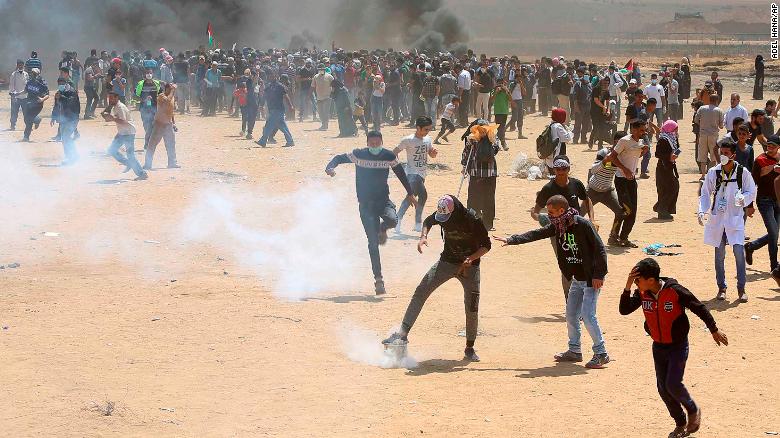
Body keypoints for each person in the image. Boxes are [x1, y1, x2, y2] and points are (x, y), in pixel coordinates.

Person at [495, 194, 610, 369]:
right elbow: (537, 233)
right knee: (571, 315)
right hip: (576, 279)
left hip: (590, 279)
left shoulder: (582, 224)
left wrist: (599, 275)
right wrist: (512, 240)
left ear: (561, 210)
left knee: (588, 315)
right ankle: (574, 350)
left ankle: (601, 353)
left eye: (551, 212)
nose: (548, 215)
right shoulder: (558, 225)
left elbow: (600, 249)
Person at [620, 258, 729, 438]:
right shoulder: (642, 293)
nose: (636, 283)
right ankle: (680, 423)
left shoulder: (675, 291)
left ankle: (693, 410)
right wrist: (628, 285)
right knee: (663, 389)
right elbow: (624, 310)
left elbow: (699, 307)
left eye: (638, 279)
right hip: (658, 347)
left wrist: (714, 329)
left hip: (678, 346)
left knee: (672, 384)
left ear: (651, 280)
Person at [382, 194, 489, 362]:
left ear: (455, 211)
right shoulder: (442, 214)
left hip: (470, 268)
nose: (445, 221)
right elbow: (428, 221)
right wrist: (423, 236)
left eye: (447, 217)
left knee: (472, 307)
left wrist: (471, 258)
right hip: (446, 262)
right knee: (421, 291)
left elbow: (486, 245)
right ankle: (402, 335)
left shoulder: (473, 219)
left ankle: (469, 348)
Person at [325, 131, 416, 294]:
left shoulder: (388, 156)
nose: (374, 145)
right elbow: (338, 158)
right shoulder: (359, 155)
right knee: (373, 243)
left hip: (383, 202)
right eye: (371, 143)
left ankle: (383, 228)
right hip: (366, 206)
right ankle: (378, 280)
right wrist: (330, 167)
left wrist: (410, 193)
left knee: (393, 220)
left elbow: (401, 173)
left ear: (382, 142)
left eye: (377, 143)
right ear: (367, 143)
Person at [698, 141, 756, 302]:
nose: (722, 156)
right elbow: (705, 193)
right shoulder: (714, 172)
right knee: (719, 256)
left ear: (733, 155)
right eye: (721, 153)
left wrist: (743, 198)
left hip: (735, 219)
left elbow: (751, 190)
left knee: (739, 254)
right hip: (718, 219)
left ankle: (741, 289)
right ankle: (721, 288)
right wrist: (702, 210)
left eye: (726, 153)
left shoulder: (742, 172)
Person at [532, 155, 592, 300]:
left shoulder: (576, 184)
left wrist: (591, 219)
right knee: (567, 264)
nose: (561, 172)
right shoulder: (548, 188)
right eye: (558, 169)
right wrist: (542, 219)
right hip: (558, 233)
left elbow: (587, 200)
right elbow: (535, 211)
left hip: (577, 230)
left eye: (564, 168)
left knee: (582, 261)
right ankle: (570, 300)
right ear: (554, 170)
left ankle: (580, 298)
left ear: (568, 169)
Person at [607, 120, 649, 247]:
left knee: (633, 211)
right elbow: (612, 157)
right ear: (633, 130)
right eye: (641, 130)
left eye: (645, 130)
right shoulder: (624, 141)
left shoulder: (640, 141)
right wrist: (624, 169)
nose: (644, 132)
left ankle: (624, 238)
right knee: (627, 209)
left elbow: (634, 157)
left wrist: (643, 152)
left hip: (632, 180)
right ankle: (613, 236)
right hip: (621, 179)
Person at [745, 135, 780, 284]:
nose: (769, 148)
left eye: (773, 146)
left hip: (778, 201)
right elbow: (752, 184)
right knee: (774, 233)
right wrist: (749, 205)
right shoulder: (760, 160)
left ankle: (751, 246)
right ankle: (774, 266)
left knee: (774, 233)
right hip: (764, 201)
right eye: (768, 145)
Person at [394, 116, 437, 233]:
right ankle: (417, 222)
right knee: (423, 195)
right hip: (412, 174)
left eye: (429, 129)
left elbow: (431, 154)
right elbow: (394, 152)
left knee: (410, 198)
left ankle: (398, 219)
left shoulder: (428, 139)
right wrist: (398, 167)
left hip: (422, 174)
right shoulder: (408, 140)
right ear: (418, 128)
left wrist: (433, 153)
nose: (428, 132)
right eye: (426, 129)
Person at [462, 120, 500, 231]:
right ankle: (476, 222)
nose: (482, 131)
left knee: (485, 198)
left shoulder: (492, 138)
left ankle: (484, 224)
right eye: (481, 129)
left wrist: (491, 140)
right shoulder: (473, 139)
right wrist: (464, 166)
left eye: (484, 130)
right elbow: (466, 153)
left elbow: (495, 150)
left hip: (484, 173)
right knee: (477, 198)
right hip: (481, 173)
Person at [102, 91, 148, 181]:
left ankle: (142, 173)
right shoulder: (115, 106)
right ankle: (128, 163)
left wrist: (112, 118)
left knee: (130, 155)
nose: (110, 100)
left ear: (116, 98)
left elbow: (123, 122)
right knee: (112, 150)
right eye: (109, 98)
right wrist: (107, 112)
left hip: (128, 133)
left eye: (111, 98)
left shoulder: (120, 107)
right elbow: (107, 118)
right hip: (122, 133)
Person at [143, 82, 179, 170]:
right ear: (166, 89)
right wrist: (173, 91)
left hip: (168, 124)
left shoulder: (172, 97)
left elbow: (171, 111)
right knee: (152, 144)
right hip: (159, 124)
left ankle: (172, 163)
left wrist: (173, 123)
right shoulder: (161, 96)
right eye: (170, 88)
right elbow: (167, 101)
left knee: (171, 144)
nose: (172, 90)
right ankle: (147, 164)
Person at [255, 73, 295, 147]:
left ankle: (263, 141)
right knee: (283, 127)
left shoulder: (280, 86)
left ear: (276, 77)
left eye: (273, 76)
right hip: (272, 109)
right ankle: (290, 141)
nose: (271, 78)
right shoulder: (268, 86)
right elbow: (264, 96)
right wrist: (261, 105)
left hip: (278, 109)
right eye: (270, 76)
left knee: (268, 126)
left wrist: (290, 106)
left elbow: (286, 96)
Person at [654, 120, 681, 220]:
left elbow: (677, 148)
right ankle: (662, 210)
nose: (676, 131)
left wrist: (675, 155)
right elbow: (658, 154)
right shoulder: (663, 140)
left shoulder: (673, 138)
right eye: (675, 129)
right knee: (670, 188)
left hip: (670, 166)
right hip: (663, 167)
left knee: (673, 187)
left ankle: (661, 208)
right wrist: (669, 157)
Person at [51, 78, 80, 165]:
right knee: (64, 138)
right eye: (59, 83)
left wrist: (61, 97)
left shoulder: (72, 92)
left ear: (66, 83)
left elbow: (71, 102)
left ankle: (71, 157)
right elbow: (56, 106)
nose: (60, 85)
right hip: (63, 119)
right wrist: (53, 117)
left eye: (62, 83)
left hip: (72, 119)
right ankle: (72, 155)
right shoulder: (59, 93)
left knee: (66, 137)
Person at [694, 94, 724, 176]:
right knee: (713, 156)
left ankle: (703, 175)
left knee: (703, 156)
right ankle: (711, 175)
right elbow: (721, 126)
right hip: (713, 135)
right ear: (717, 101)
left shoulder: (702, 108)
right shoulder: (719, 110)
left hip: (703, 134)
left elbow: (696, 120)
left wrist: (703, 124)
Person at [21, 68, 49, 142]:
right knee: (26, 118)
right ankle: (37, 119)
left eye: (35, 74)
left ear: (38, 74)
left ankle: (26, 136)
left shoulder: (42, 83)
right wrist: (17, 93)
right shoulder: (29, 82)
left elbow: (47, 95)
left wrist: (42, 99)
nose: (33, 75)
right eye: (32, 73)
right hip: (29, 103)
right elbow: (25, 90)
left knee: (29, 119)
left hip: (37, 104)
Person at [544, 108, 573, 173]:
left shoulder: (551, 125)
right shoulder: (558, 126)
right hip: (557, 152)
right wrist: (569, 130)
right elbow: (567, 138)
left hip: (550, 153)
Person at [490, 79, 511, 151]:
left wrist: (507, 91)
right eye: (499, 83)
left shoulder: (506, 90)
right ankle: (502, 143)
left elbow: (510, 99)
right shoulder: (494, 90)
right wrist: (496, 92)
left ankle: (497, 143)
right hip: (498, 112)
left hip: (504, 111)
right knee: (500, 128)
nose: (500, 85)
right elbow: (491, 99)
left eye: (502, 83)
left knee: (502, 128)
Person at [313, 65, 334, 131]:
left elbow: (334, 85)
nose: (321, 70)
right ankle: (323, 123)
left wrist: (333, 93)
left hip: (327, 97)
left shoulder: (329, 77)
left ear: (324, 69)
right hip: (319, 97)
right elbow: (312, 86)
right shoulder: (316, 77)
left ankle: (325, 125)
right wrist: (309, 94)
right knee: (320, 112)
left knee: (326, 112)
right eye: (320, 69)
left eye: (322, 69)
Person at [8, 60, 28, 131]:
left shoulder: (26, 74)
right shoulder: (14, 74)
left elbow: (27, 85)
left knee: (26, 112)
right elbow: (11, 85)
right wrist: (12, 94)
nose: (20, 66)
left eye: (22, 65)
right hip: (16, 97)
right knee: (14, 112)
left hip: (24, 96)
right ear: (17, 66)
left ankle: (28, 125)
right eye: (19, 65)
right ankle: (12, 125)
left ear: (23, 65)